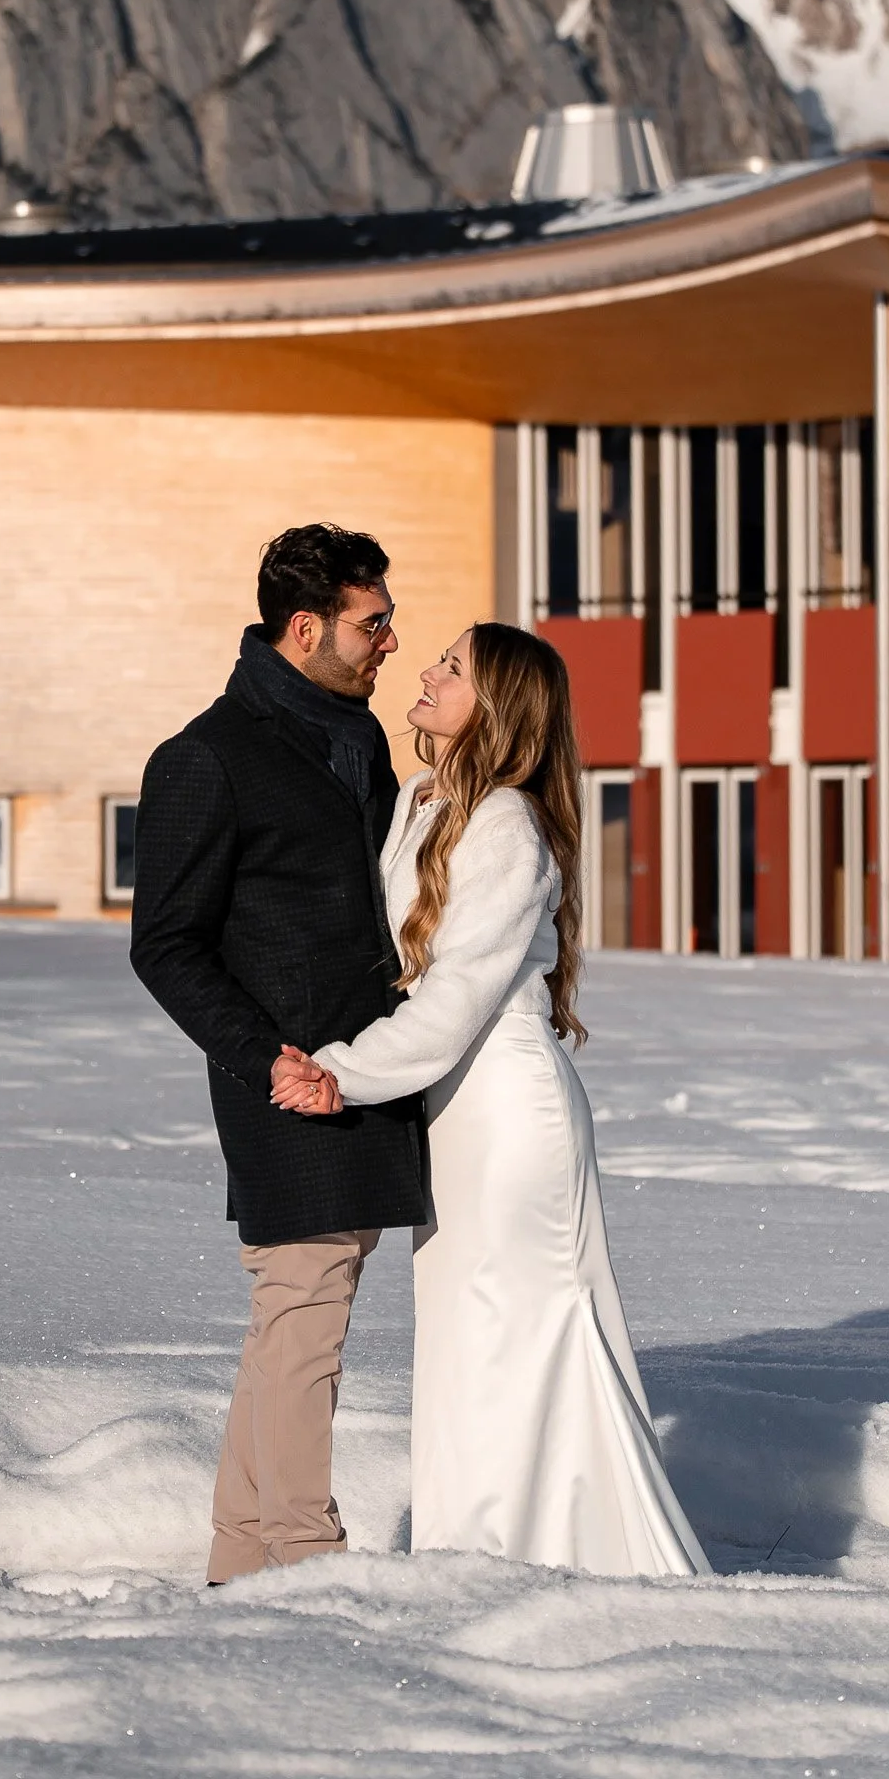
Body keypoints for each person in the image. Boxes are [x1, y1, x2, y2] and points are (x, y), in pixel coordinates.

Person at [274, 621, 708, 1578]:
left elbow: (458, 994)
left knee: (525, 1333)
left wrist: (339, 1071)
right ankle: (479, 1555)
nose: (427, 670)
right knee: (472, 1337)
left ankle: (564, 1559)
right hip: (455, 1116)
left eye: (453, 666)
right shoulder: (429, 802)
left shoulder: (504, 823)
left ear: (498, 706)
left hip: (510, 1117)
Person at [129, 524, 429, 1582]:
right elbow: (162, 945)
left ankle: (242, 1557)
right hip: (285, 1083)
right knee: (305, 1317)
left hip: (366, 1075)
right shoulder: (205, 757)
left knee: (293, 1321)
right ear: (304, 630)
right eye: (373, 622)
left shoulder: (358, 740)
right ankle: (302, 1557)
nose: (391, 640)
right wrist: (267, 1058)